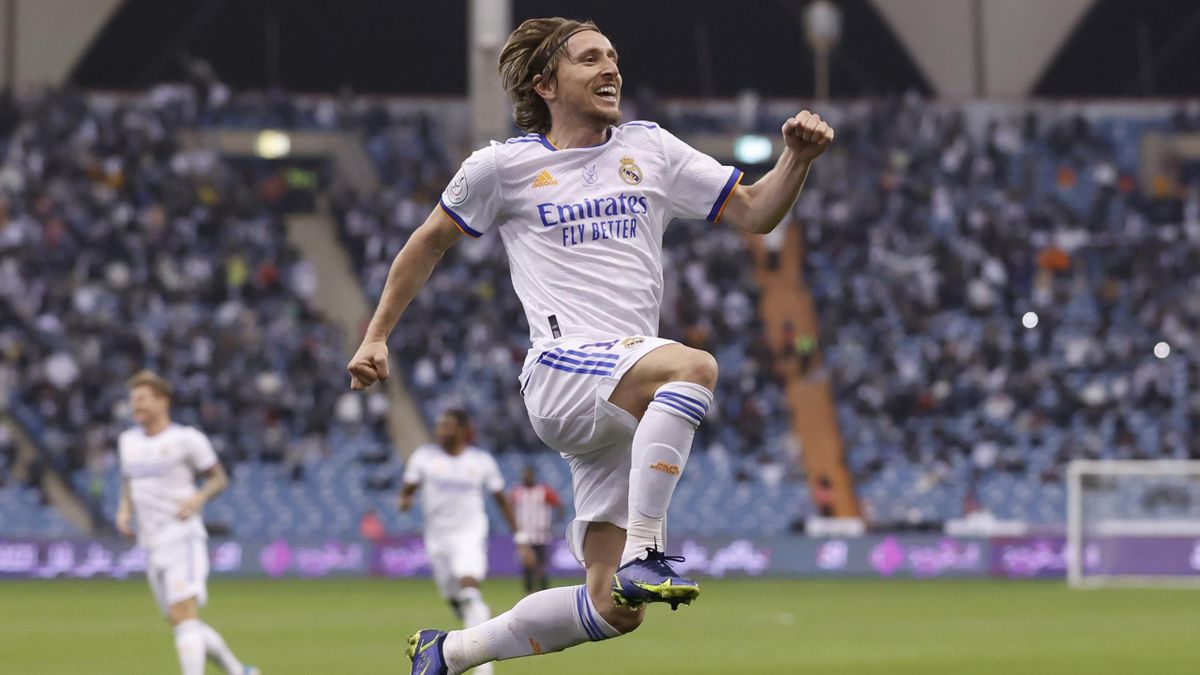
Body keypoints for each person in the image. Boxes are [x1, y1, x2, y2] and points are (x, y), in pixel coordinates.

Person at [346, 16, 834, 675]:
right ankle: (646, 551)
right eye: (589, 58)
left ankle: (451, 651)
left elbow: (754, 211)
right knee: (693, 366)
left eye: (613, 57)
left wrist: (796, 160)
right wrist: (376, 335)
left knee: (614, 608)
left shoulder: (650, 148)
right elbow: (427, 242)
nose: (611, 68)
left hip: (622, 398)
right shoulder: (502, 166)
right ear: (545, 84)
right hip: (562, 369)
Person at [114, 370, 259, 675]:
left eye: (142, 399)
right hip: (151, 543)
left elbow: (218, 478)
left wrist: (198, 498)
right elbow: (129, 481)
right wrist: (124, 511)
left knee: (184, 616)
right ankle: (239, 671)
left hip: (182, 536)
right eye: (133, 400)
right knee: (181, 622)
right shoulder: (128, 441)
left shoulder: (186, 439)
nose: (135, 405)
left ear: (162, 401)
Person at [399, 409, 519, 675]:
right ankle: (479, 612)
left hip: (470, 533)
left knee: (469, 590)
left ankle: (483, 667)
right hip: (437, 538)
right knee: (456, 599)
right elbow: (408, 487)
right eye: (440, 425)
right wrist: (405, 500)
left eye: (448, 425)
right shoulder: (424, 457)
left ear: (463, 430)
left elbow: (501, 499)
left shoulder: (480, 461)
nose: (441, 430)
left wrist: (519, 536)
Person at [510, 466, 565, 593]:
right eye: (524, 475)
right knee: (526, 566)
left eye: (528, 474)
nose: (525, 477)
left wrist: (554, 522)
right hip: (524, 536)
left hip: (540, 536)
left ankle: (544, 592)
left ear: (533, 475)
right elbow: (510, 508)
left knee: (540, 567)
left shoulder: (543, 491)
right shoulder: (517, 492)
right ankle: (528, 593)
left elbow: (559, 506)